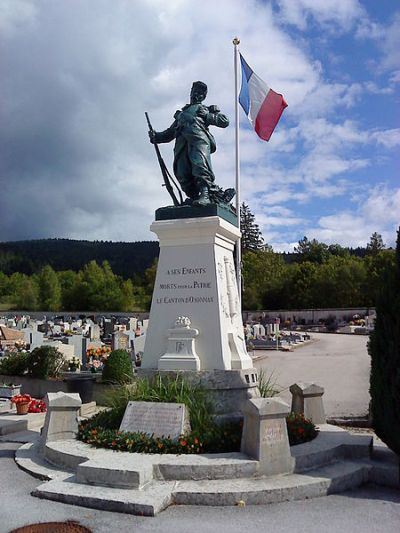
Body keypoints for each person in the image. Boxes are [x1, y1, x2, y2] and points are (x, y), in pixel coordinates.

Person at [149, 81, 234, 206]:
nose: (196, 94)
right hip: (181, 145)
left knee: (200, 166)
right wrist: (156, 137)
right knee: (181, 172)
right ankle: (194, 197)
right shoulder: (181, 114)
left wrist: (208, 116)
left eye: (200, 93)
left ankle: (205, 195)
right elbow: (170, 133)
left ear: (203, 96)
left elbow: (224, 121)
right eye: (195, 91)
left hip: (199, 140)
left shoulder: (205, 109)